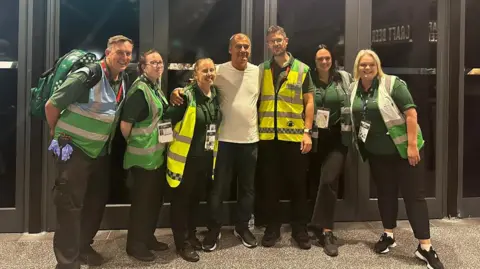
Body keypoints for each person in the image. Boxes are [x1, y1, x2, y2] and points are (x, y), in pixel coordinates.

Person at [348, 49, 444, 269]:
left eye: (371, 64)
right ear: (357, 67)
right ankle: (388, 234)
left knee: (414, 198)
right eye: (362, 65)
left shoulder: (392, 84)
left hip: (404, 152)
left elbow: (411, 113)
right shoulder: (354, 89)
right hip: (378, 154)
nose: (367, 68)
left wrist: (411, 146)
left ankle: (425, 246)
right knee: (385, 194)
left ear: (377, 65)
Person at [44, 35, 133, 269]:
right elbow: (52, 105)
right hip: (73, 149)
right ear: (108, 52)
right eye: (120, 52)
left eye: (128, 53)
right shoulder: (88, 75)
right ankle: (67, 263)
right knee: (69, 207)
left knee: (95, 202)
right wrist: (54, 130)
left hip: (99, 152)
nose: (124, 57)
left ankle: (83, 247)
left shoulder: (121, 80)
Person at [170, 33, 260, 251]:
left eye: (246, 47)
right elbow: (199, 80)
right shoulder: (218, 69)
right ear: (230, 49)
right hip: (224, 142)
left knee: (247, 189)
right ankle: (214, 230)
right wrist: (177, 90)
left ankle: (242, 227)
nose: (243, 51)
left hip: (250, 140)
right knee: (218, 190)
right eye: (238, 46)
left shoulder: (258, 71)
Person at [257, 25, 315, 250]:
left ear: (287, 42)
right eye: (272, 41)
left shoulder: (302, 69)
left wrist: (307, 132)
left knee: (298, 185)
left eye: (279, 40)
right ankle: (273, 227)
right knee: (270, 185)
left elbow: (309, 102)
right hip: (268, 137)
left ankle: (300, 228)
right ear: (268, 44)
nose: (276, 44)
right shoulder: (261, 70)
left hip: (294, 137)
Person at [164, 58, 222, 262]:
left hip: (205, 159)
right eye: (204, 70)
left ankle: (191, 234)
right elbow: (166, 121)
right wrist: (164, 148)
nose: (209, 74)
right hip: (185, 160)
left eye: (211, 70)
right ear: (195, 74)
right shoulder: (185, 97)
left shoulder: (215, 95)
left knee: (195, 201)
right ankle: (182, 243)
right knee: (181, 202)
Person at [119, 49, 169, 262]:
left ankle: (148, 238)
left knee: (153, 202)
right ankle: (135, 245)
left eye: (160, 62)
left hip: (156, 157)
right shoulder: (140, 90)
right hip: (142, 159)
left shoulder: (155, 87)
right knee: (142, 204)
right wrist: (139, 142)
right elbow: (125, 126)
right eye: (153, 63)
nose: (158, 66)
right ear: (143, 67)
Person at [307, 44, 353, 257]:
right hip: (315, 138)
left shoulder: (343, 78)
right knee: (313, 181)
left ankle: (327, 231)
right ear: (315, 62)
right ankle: (315, 223)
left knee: (329, 181)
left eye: (327, 58)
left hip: (338, 137)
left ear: (332, 59)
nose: (324, 62)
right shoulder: (308, 79)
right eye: (320, 59)